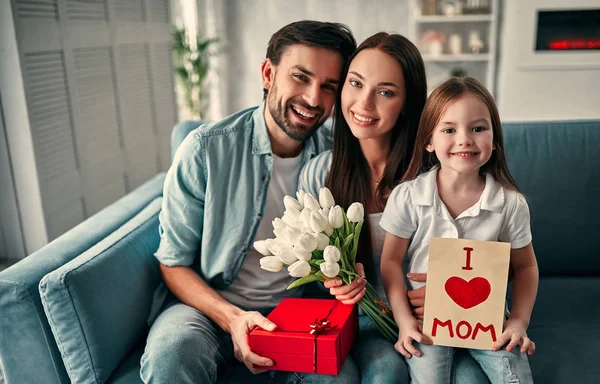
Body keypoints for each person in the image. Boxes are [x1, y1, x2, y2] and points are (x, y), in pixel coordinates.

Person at [140, 20, 359, 384]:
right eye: (300, 77)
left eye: (328, 87)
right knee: (171, 355)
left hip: (296, 310)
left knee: (338, 378)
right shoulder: (205, 149)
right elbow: (172, 263)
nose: (313, 99)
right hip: (208, 306)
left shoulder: (339, 156)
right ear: (268, 73)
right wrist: (232, 317)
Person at [299, 33, 489, 384]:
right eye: (355, 84)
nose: (364, 103)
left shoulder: (437, 173)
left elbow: (488, 255)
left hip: (437, 319)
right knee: (384, 375)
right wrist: (335, 281)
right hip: (364, 321)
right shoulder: (319, 173)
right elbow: (306, 270)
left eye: (385, 92)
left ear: (407, 103)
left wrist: (452, 289)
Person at [380, 76, 538, 384]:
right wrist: (404, 322)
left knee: (513, 378)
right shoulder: (409, 197)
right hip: (426, 320)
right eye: (449, 130)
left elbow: (526, 265)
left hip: (489, 319)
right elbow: (389, 261)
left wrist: (518, 321)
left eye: (478, 129)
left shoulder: (510, 203)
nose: (464, 139)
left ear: (494, 138)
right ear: (429, 141)